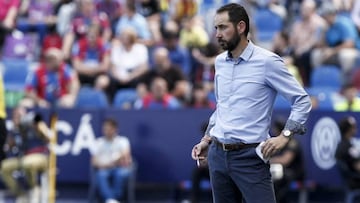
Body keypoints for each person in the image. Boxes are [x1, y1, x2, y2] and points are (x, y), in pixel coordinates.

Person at [190, 3, 312, 203]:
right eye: (216, 28)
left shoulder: (268, 62)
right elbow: (223, 108)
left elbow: (302, 100)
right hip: (217, 156)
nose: (217, 34)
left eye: (223, 27)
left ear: (240, 27)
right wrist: (207, 139)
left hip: (250, 157)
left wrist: (285, 136)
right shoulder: (220, 62)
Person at [1, 106, 50, 203]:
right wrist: (13, 135)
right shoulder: (15, 130)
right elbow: (9, 147)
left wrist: (37, 125)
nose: (17, 118)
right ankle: (22, 195)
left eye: (20, 115)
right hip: (23, 158)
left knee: (27, 162)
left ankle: (34, 190)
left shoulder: (33, 125)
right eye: (15, 115)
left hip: (40, 156)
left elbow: (48, 137)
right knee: (3, 167)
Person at [91, 118, 133, 203]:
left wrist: (114, 161)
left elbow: (125, 155)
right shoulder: (99, 142)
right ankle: (112, 200)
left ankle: (112, 199)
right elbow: (94, 161)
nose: (106, 131)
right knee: (101, 174)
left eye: (109, 129)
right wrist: (105, 165)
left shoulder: (123, 141)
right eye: (105, 129)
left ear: (115, 129)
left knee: (121, 174)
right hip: (104, 168)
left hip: (120, 168)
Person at [269, 118, 305, 203]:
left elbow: (285, 160)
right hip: (282, 173)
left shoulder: (293, 143)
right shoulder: (276, 142)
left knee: (279, 183)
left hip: (294, 174)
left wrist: (270, 161)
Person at [335, 116, 360, 189]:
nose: (355, 129)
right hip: (355, 181)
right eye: (353, 127)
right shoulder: (348, 147)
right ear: (349, 129)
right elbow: (358, 166)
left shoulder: (341, 145)